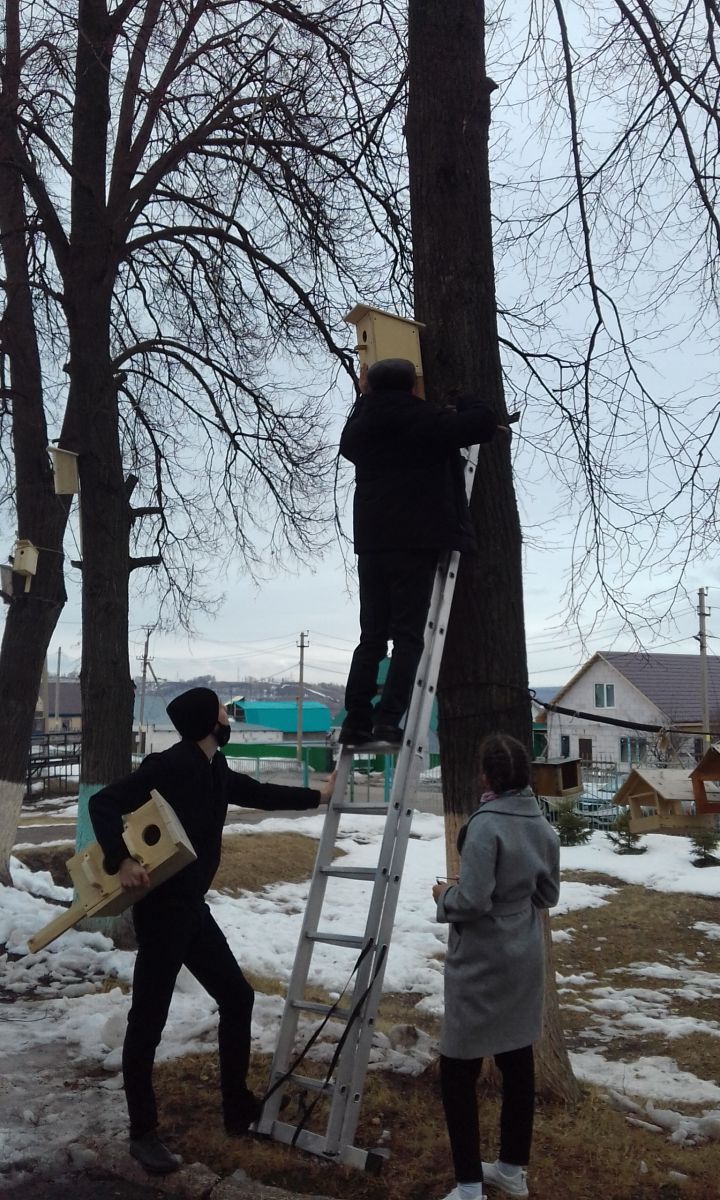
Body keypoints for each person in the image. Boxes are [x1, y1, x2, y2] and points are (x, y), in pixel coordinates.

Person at [89, 686, 334, 1176]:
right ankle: (142, 1133)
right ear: (207, 721)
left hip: (192, 911)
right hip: (162, 914)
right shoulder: (166, 766)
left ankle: (237, 1108)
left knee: (238, 998)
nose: (228, 717)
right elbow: (103, 803)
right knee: (148, 1022)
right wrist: (122, 860)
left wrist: (318, 797)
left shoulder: (215, 768)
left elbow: (258, 793)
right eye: (223, 710)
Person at [338, 358, 502, 746]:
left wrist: (363, 398)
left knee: (371, 637)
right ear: (413, 387)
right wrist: (466, 399)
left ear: (371, 388)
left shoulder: (359, 427)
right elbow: (483, 424)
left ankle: (356, 720)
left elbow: (351, 438)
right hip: (415, 541)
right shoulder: (426, 419)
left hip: (372, 544)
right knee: (408, 637)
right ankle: (387, 720)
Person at [431, 734, 560, 1200]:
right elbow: (548, 895)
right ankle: (510, 1169)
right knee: (516, 1059)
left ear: (486, 777)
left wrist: (444, 895)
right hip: (523, 954)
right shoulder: (542, 823)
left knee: (457, 1069)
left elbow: (472, 900)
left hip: (482, 960)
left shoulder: (485, 825)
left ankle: (469, 1186)